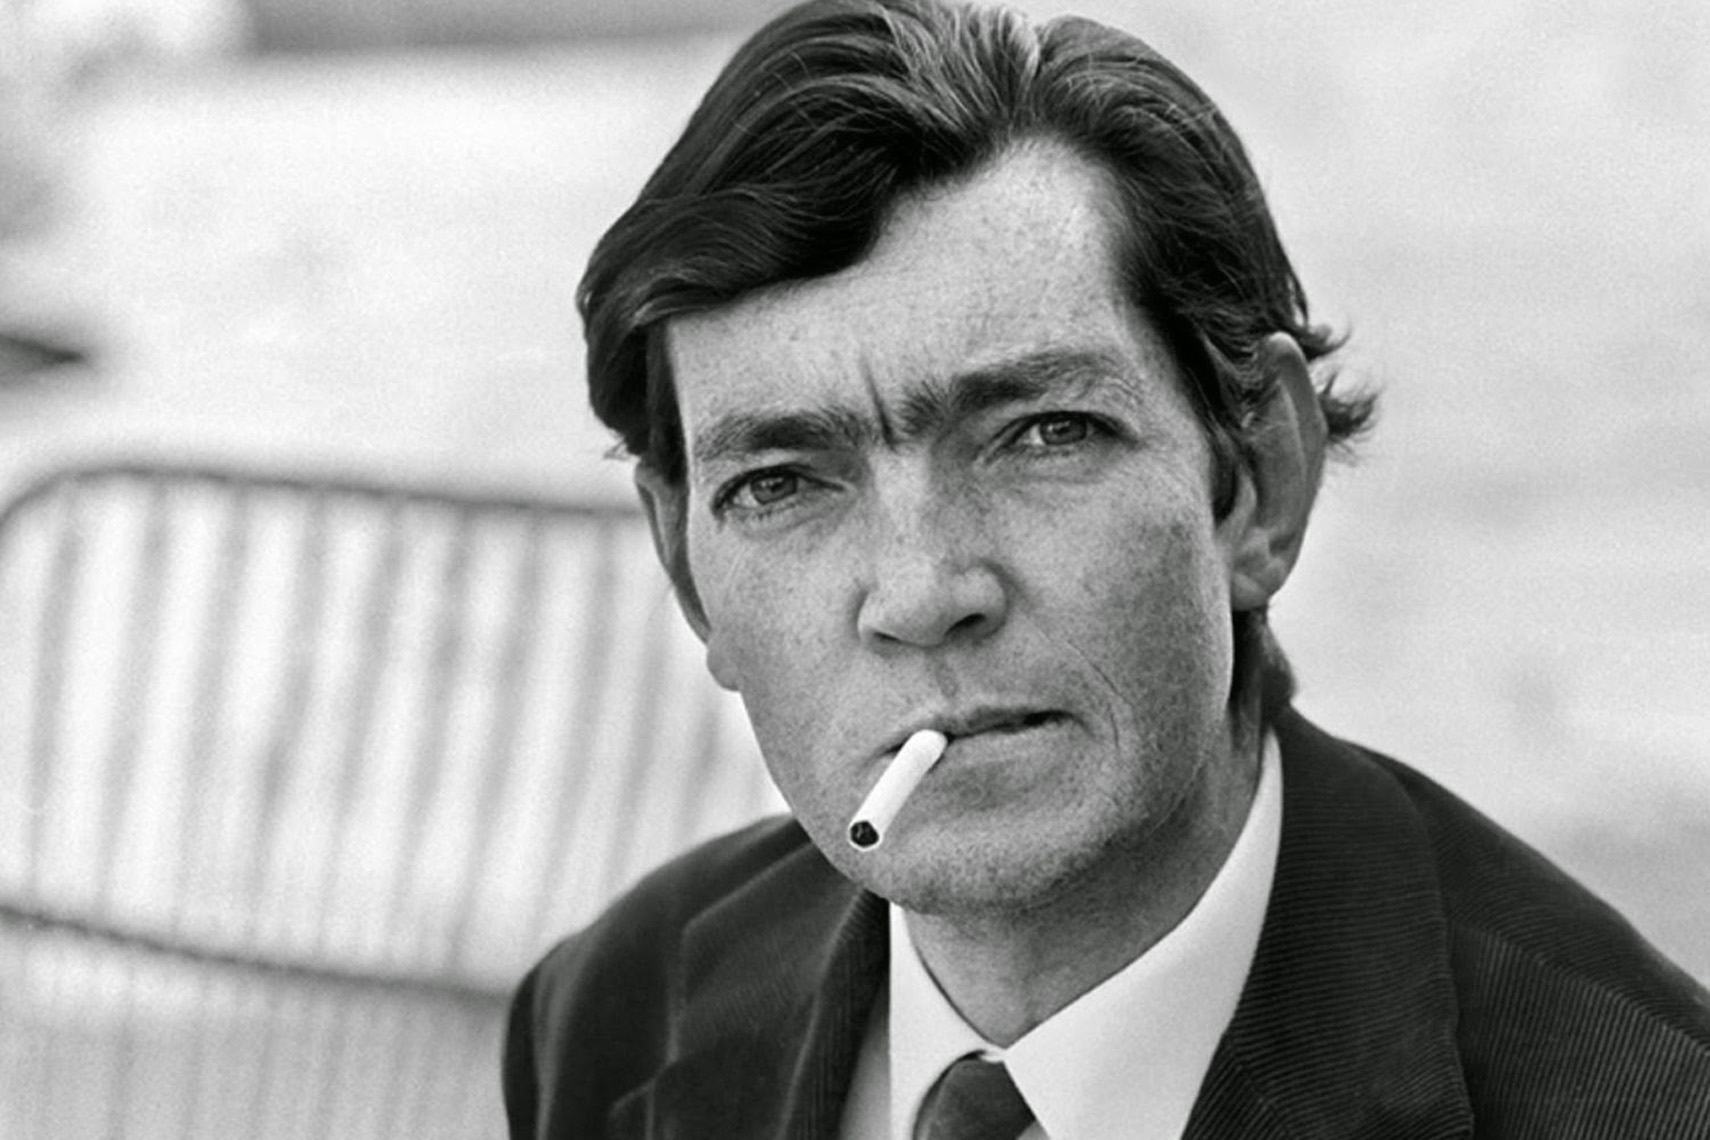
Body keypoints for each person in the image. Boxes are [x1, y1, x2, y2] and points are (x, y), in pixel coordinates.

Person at [503, 0, 1710, 1135]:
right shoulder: (609, 1011)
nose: (922, 594)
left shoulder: (1646, 1104)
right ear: (687, 572)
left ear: (1257, 481)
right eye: (781, 485)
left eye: (1044, 434)